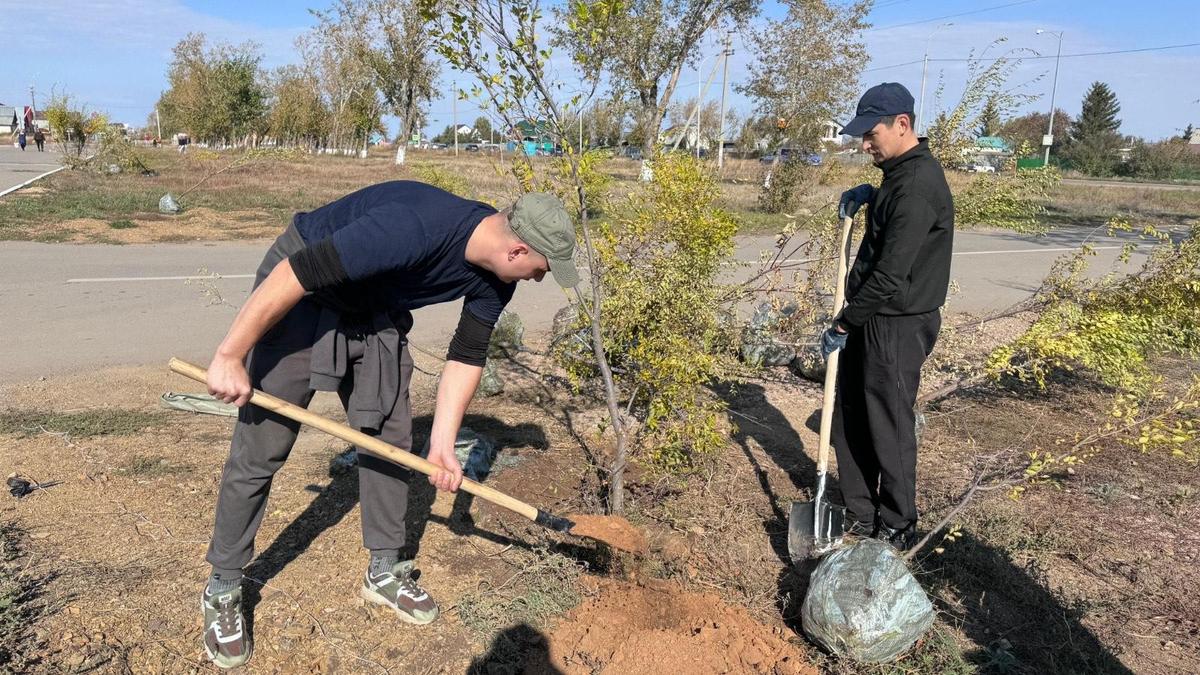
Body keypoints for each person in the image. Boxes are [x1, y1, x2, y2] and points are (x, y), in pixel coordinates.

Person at [199, 181, 578, 669]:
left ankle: (384, 571)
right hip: (301, 288)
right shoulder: (413, 227)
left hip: (372, 303)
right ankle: (224, 585)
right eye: (540, 270)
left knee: (390, 440)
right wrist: (229, 356)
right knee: (263, 446)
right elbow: (298, 272)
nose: (537, 280)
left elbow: (466, 355)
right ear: (517, 249)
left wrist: (441, 443)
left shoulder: (496, 278)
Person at [820, 82, 954, 551]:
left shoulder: (917, 186)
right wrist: (872, 197)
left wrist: (843, 322)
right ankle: (860, 512)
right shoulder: (898, 175)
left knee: (889, 422)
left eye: (871, 133)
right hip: (871, 317)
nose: (864, 144)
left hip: (896, 323)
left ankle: (898, 523)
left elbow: (891, 275)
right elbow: (892, 219)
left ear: (903, 124)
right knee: (851, 417)